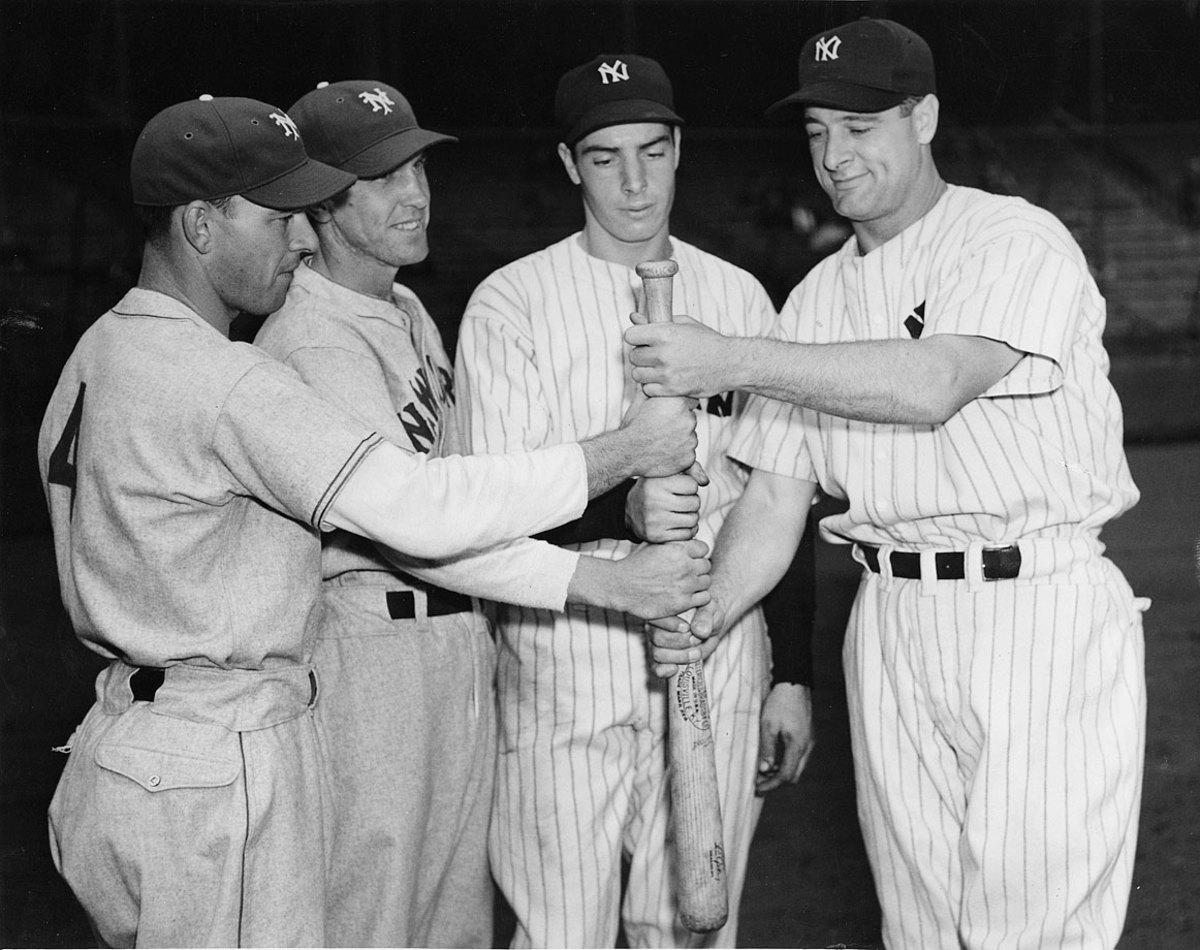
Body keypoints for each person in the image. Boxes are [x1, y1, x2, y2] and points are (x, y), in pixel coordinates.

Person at [38, 94, 707, 949]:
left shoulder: (99, 351)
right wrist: (622, 457)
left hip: (138, 734)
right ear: (201, 226)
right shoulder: (228, 378)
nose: (301, 238)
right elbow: (413, 510)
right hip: (218, 741)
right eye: (279, 218)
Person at [628, 18, 1149, 950]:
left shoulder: (1011, 238)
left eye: (862, 127)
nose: (835, 155)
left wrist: (732, 357)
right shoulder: (818, 298)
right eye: (819, 131)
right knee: (917, 929)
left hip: (1035, 609)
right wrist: (704, 613)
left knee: (1029, 928)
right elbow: (775, 500)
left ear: (927, 118)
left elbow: (932, 383)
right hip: (892, 620)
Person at [253, 79, 711, 948]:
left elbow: (474, 501)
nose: (416, 194)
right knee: (375, 917)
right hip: (370, 653)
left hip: (452, 645)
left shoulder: (402, 307)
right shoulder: (312, 338)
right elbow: (422, 528)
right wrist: (612, 574)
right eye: (381, 179)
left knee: (454, 925)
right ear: (318, 199)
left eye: (418, 167)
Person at [452, 54, 814, 948]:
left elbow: (782, 492)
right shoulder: (512, 305)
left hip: (717, 642)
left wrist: (794, 673)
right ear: (570, 165)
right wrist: (622, 515)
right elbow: (489, 507)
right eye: (606, 157)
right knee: (560, 933)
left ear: (679, 147)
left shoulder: (739, 299)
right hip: (564, 651)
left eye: (652, 150)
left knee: (692, 926)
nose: (635, 180)